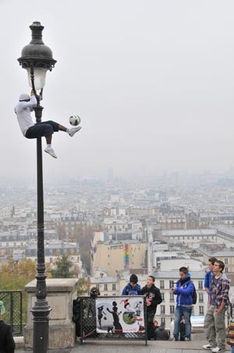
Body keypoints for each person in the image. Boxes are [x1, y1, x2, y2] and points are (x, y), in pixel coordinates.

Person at [14, 91, 82, 159]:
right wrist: (32, 95)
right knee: (48, 127)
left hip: (32, 127)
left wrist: (38, 98)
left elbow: (34, 105)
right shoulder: (19, 105)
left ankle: (69, 131)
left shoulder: (24, 107)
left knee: (50, 123)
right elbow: (33, 103)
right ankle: (49, 147)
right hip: (28, 131)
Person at [202, 260, 230, 353]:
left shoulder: (224, 280)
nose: (214, 266)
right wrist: (209, 302)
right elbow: (212, 291)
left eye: (216, 265)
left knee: (219, 326)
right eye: (214, 265)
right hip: (213, 304)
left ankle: (221, 346)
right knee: (208, 323)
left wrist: (221, 308)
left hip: (219, 305)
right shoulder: (213, 277)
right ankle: (212, 343)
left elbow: (225, 296)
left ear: (220, 269)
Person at [169, 266, 194, 341]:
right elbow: (178, 292)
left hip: (187, 305)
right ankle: (175, 336)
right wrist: (174, 290)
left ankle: (187, 336)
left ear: (186, 274)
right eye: (180, 274)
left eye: (182, 275)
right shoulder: (179, 282)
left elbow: (187, 292)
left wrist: (178, 289)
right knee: (176, 321)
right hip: (179, 305)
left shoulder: (190, 283)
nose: (181, 276)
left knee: (187, 321)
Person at [140, 275, 162, 340]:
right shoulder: (143, 289)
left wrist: (152, 303)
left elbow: (159, 300)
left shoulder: (156, 290)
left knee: (150, 321)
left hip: (152, 309)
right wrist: (144, 301)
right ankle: (148, 335)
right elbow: (140, 298)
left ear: (153, 282)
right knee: (145, 322)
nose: (148, 281)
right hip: (145, 309)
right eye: (147, 279)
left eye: (150, 280)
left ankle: (151, 335)